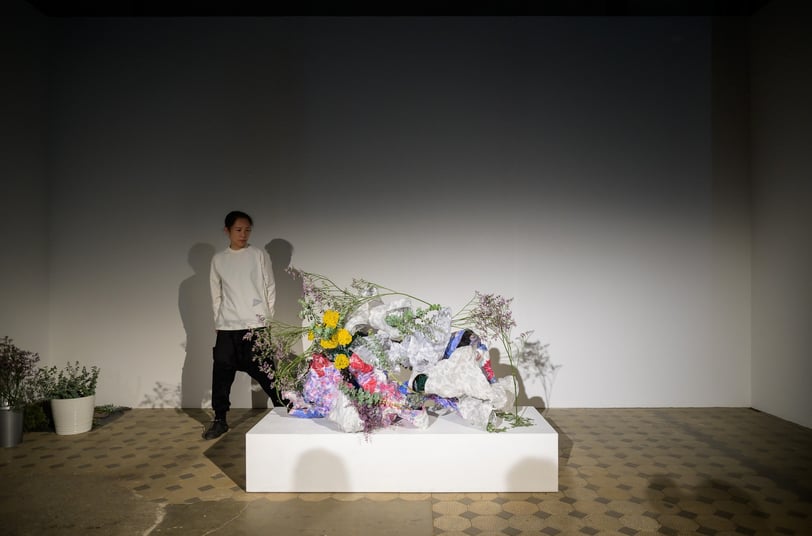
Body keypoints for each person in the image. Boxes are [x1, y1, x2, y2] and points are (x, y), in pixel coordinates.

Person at [203, 210, 284, 440]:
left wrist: (266, 318)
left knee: (266, 371)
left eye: (247, 230)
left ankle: (284, 408)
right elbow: (216, 293)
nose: (243, 234)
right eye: (238, 230)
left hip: (255, 324)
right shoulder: (219, 259)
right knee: (221, 374)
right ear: (227, 231)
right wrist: (219, 320)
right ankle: (220, 420)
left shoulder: (258, 255)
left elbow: (270, 287)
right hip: (228, 326)